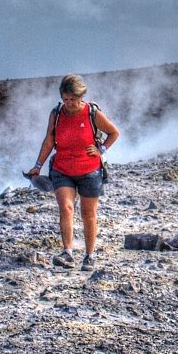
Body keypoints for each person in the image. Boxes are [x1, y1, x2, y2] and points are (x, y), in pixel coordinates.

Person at [24, 74, 119, 270]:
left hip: (90, 170)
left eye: (73, 100)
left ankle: (89, 256)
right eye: (65, 99)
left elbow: (114, 132)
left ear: (81, 96)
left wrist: (101, 149)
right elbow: (49, 140)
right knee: (66, 208)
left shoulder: (92, 113)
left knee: (88, 213)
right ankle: (67, 253)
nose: (69, 103)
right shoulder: (57, 114)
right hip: (62, 169)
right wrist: (38, 165)